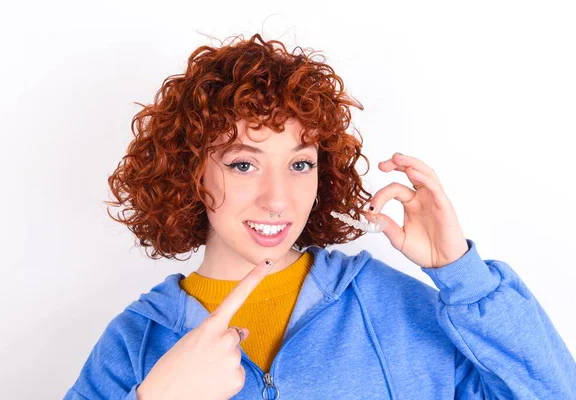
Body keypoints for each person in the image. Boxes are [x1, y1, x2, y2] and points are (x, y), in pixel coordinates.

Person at [64, 34, 576, 400]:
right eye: (244, 163)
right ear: (189, 172)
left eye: (299, 164)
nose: (278, 199)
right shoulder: (136, 342)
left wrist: (463, 277)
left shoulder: (385, 304)